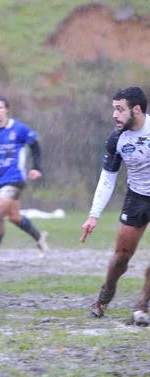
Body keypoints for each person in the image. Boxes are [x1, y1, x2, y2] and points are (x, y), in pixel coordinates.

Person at [81, 87, 150, 326]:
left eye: (120, 109)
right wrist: (93, 215)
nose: (114, 115)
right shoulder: (117, 139)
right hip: (137, 197)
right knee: (121, 257)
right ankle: (104, 298)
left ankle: (142, 305)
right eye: (114, 109)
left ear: (137, 109)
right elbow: (108, 178)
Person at [0, 96, 48, 269]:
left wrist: (37, 168)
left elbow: (35, 146)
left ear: (7, 110)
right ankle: (39, 237)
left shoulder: (19, 128)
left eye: (0, 107)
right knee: (14, 217)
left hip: (16, 178)